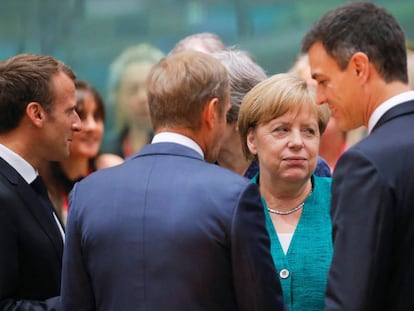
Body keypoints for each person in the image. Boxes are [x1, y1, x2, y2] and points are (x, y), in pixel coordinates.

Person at [61, 50, 286, 311]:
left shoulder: (87, 194)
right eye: (225, 114)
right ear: (212, 112)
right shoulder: (233, 196)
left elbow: (74, 304)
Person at [302, 2, 414, 310]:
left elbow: (350, 297)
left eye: (323, 81)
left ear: (359, 68)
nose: (320, 97)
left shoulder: (365, 163)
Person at [238, 73, 332, 311]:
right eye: (282, 129)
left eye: (309, 131)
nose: (297, 142)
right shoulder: (230, 209)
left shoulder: (345, 202)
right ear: (252, 140)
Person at [0, 53, 81, 310]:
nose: (77, 124)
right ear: (36, 113)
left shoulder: (26, 180)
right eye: (70, 111)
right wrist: (83, 301)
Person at [212, 48, 331, 178]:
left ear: (241, 118)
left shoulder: (306, 168)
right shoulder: (198, 170)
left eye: (308, 130)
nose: (296, 142)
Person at [40, 80, 124, 224]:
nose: (92, 126)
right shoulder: (39, 180)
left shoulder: (112, 169)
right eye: (81, 116)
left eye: (97, 117)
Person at [103, 43, 165, 157]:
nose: (142, 98)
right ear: (117, 97)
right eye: (133, 90)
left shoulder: (173, 148)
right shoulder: (104, 151)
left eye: (149, 88)